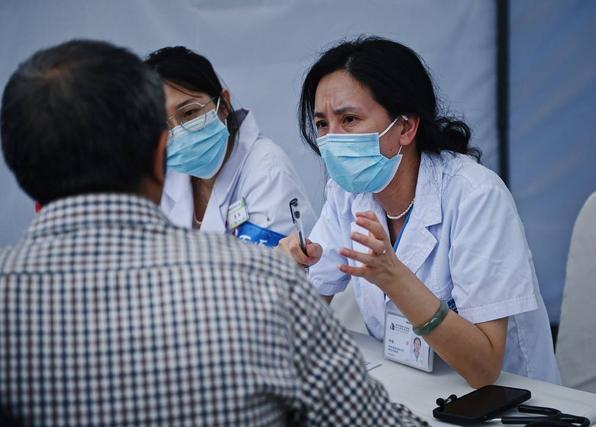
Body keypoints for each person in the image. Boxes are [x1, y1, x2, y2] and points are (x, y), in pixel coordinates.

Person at [0, 39, 427, 426]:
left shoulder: (12, 294)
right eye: (322, 124)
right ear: (157, 154)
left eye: (189, 114)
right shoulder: (262, 284)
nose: (332, 139)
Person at [279, 36, 560, 386]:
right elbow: (306, 312)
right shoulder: (348, 193)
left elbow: (485, 367)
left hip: (507, 401)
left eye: (349, 119)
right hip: (411, 389)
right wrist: (288, 273)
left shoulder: (475, 195)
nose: (332, 140)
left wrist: (394, 278)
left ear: (406, 127)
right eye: (322, 125)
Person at [144, 46, 315, 247]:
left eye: (189, 113)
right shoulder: (162, 177)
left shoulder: (267, 169)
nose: (178, 133)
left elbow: (268, 271)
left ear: (223, 105)